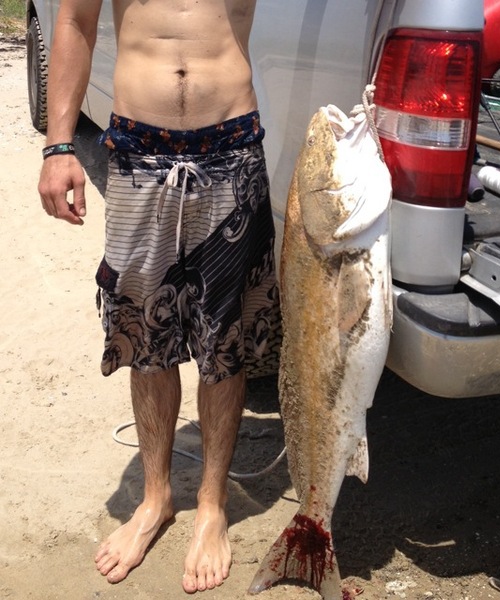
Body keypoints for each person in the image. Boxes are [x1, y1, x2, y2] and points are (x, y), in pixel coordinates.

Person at [37, 0, 278, 594]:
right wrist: (58, 145)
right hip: (139, 151)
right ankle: (154, 499)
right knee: (145, 337)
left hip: (232, 147)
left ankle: (213, 502)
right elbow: (73, 21)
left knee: (225, 339)